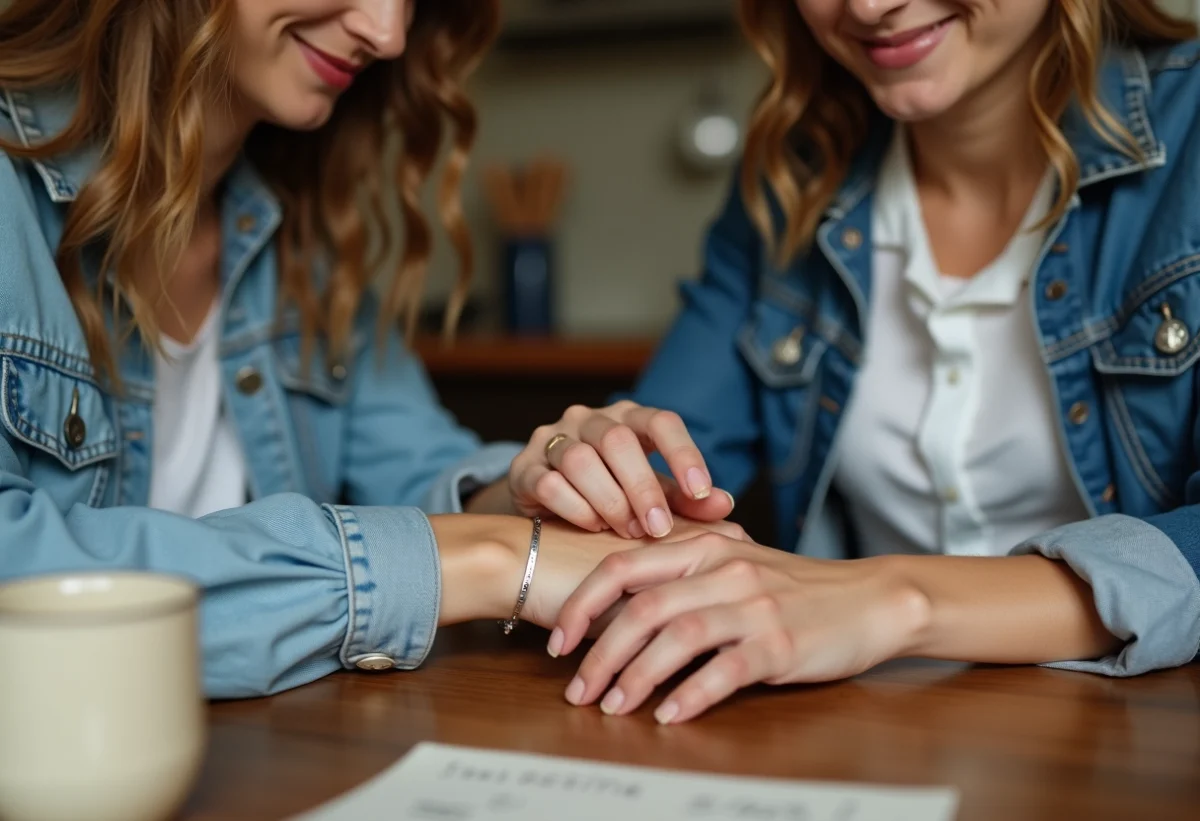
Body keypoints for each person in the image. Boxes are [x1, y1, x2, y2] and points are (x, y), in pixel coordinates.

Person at [0, 0, 745, 700]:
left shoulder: (306, 240)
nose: (387, 33)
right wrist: (488, 559)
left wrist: (537, 488)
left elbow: (415, 464)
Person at [496, 0, 1200, 724]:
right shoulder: (790, 175)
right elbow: (673, 478)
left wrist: (898, 600)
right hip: (867, 728)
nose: (868, 6)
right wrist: (602, 479)